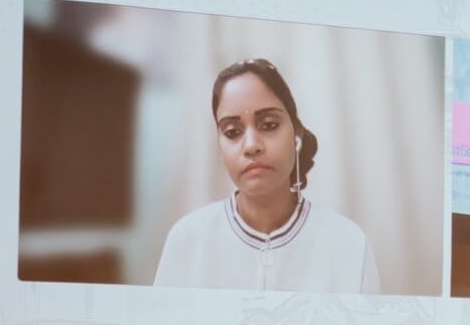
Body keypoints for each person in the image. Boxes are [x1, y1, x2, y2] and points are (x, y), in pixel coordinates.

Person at [154, 58, 380, 293]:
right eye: (232, 132)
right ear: (220, 146)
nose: (251, 145)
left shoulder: (349, 244)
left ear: (296, 136)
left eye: (269, 125)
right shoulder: (188, 240)